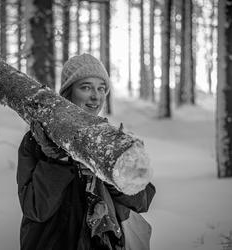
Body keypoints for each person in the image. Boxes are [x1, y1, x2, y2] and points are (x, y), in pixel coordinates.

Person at [17, 53, 156, 250]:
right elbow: (35, 208)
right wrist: (58, 161)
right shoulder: (37, 140)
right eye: (86, 87)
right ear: (68, 92)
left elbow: (143, 200)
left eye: (101, 88)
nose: (95, 96)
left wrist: (112, 174)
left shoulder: (109, 139)